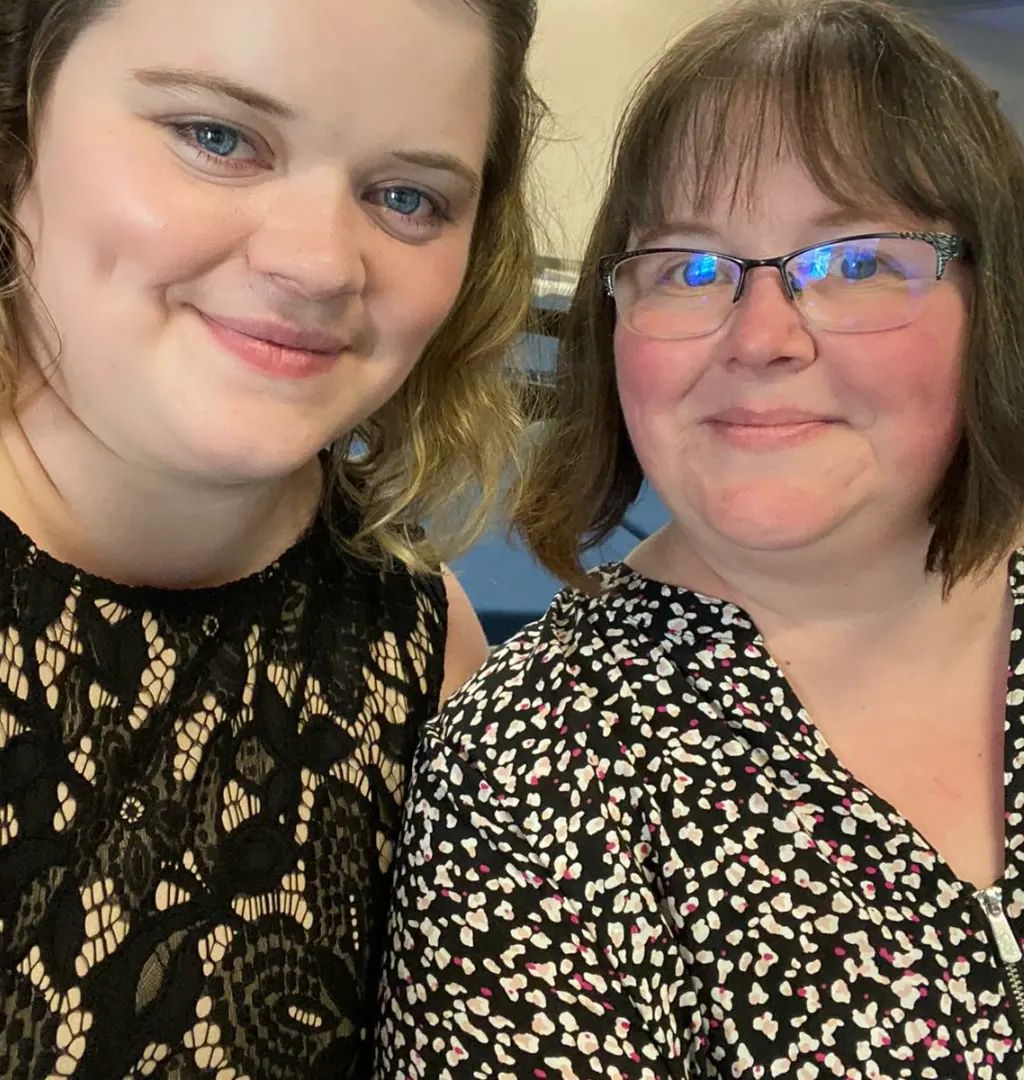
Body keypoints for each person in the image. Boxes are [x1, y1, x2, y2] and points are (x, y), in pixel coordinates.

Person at [376, 0, 1024, 1075]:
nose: (763, 336)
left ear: (988, 304)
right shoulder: (534, 773)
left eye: (857, 262)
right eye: (685, 267)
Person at [0, 0, 541, 1076]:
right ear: (1, 116)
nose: (318, 265)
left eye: (407, 197)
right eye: (216, 137)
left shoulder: (426, 662)